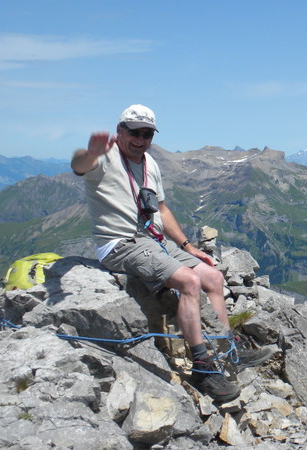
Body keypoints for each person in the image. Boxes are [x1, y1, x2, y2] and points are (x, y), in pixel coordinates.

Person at [71, 104, 270, 402]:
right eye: (134, 132)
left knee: (213, 277)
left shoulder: (150, 163)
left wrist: (188, 246)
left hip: (153, 241)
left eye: (147, 134)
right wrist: (90, 151)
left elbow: (161, 208)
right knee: (189, 282)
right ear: (120, 131)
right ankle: (202, 367)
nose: (140, 139)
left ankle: (227, 349)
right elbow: (79, 166)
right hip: (120, 243)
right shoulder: (105, 158)